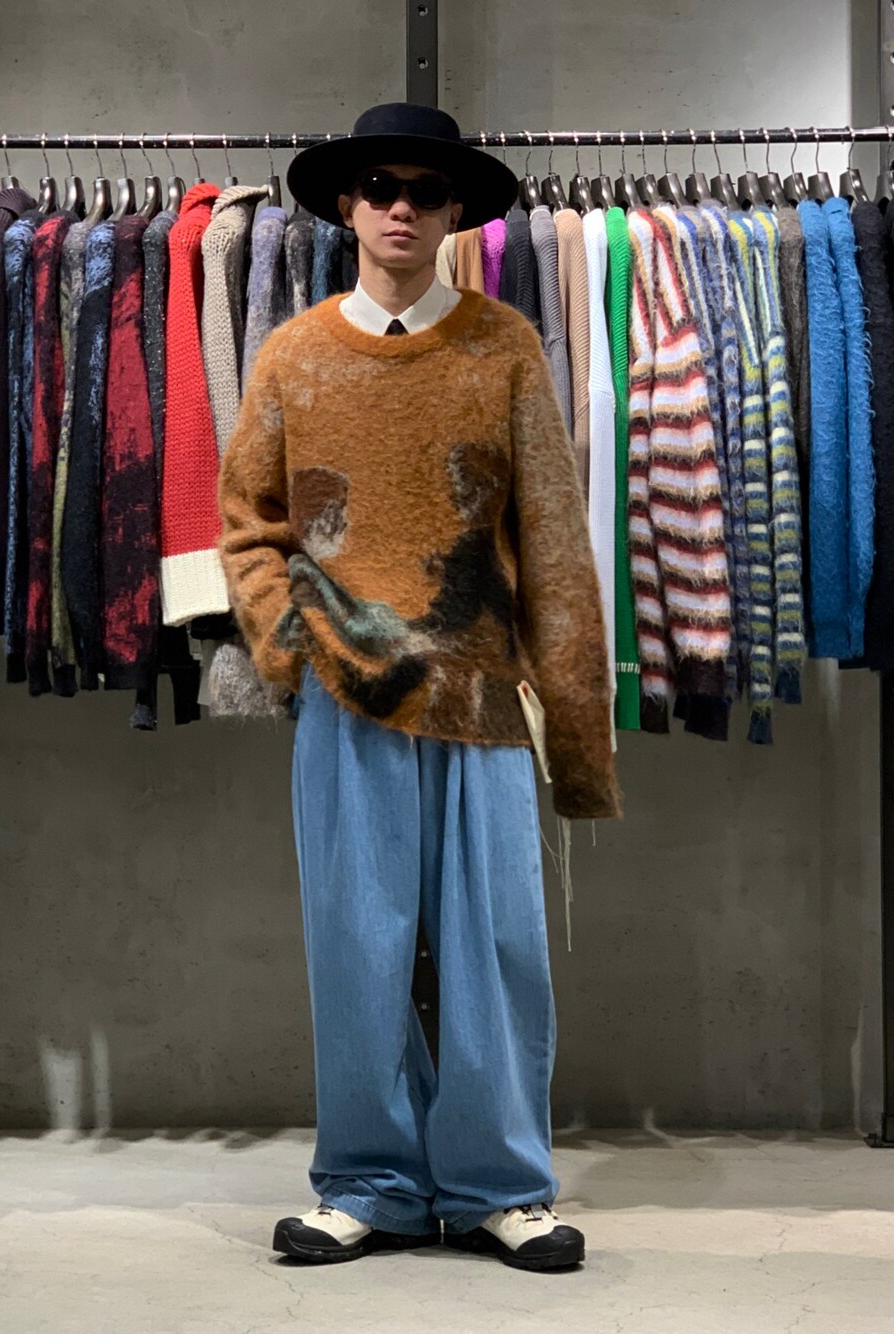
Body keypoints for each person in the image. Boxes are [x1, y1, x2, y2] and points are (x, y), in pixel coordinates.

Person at [217, 102, 620, 1272]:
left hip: (481, 693)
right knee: (357, 945)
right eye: (381, 186)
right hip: (347, 697)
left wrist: (578, 733)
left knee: (497, 944)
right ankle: (370, 1181)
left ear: (454, 214)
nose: (401, 207)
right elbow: (249, 522)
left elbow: (553, 543)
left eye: (426, 190)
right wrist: (290, 641)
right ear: (347, 204)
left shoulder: (503, 347)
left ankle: (499, 1184)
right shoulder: (293, 355)